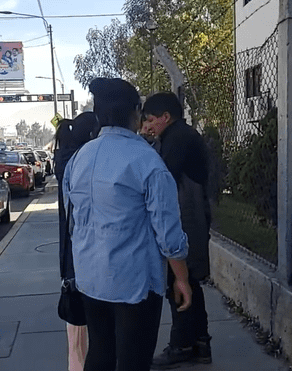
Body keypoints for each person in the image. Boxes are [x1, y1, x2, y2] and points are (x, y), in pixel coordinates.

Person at [62, 78, 192, 371]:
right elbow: (168, 233)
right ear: (135, 113)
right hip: (135, 284)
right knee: (134, 360)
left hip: (91, 279)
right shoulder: (147, 161)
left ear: (98, 114)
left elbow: (74, 220)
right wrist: (181, 278)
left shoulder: (79, 158)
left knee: (100, 354)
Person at [142, 92, 213, 368]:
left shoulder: (177, 139)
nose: (147, 125)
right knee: (190, 281)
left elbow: (161, 176)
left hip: (188, 219)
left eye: (150, 120)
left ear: (165, 117)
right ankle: (200, 343)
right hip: (192, 216)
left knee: (179, 283)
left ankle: (182, 345)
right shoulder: (176, 136)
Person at [54, 113, 98, 371]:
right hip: (82, 254)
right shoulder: (81, 164)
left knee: (76, 331)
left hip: (69, 256)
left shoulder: (66, 161)